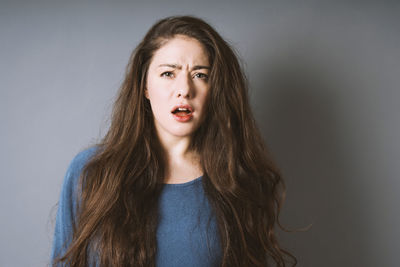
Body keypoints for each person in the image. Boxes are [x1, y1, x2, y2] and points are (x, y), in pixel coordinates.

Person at [51, 15, 296, 267]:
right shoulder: (91, 172)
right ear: (144, 86)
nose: (184, 89)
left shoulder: (235, 181)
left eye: (200, 75)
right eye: (168, 73)